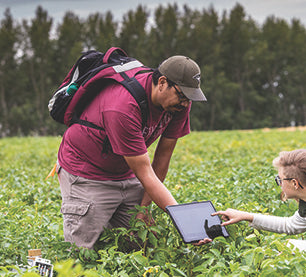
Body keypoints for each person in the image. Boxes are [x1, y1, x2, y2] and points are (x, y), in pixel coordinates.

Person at [57, 55, 207, 249]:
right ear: (162, 82)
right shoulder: (122, 106)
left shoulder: (177, 105)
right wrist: (186, 223)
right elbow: (145, 172)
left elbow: (162, 159)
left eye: (190, 98)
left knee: (140, 242)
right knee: (83, 252)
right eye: (183, 96)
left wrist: (144, 209)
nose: (186, 104)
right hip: (87, 172)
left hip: (126, 171)